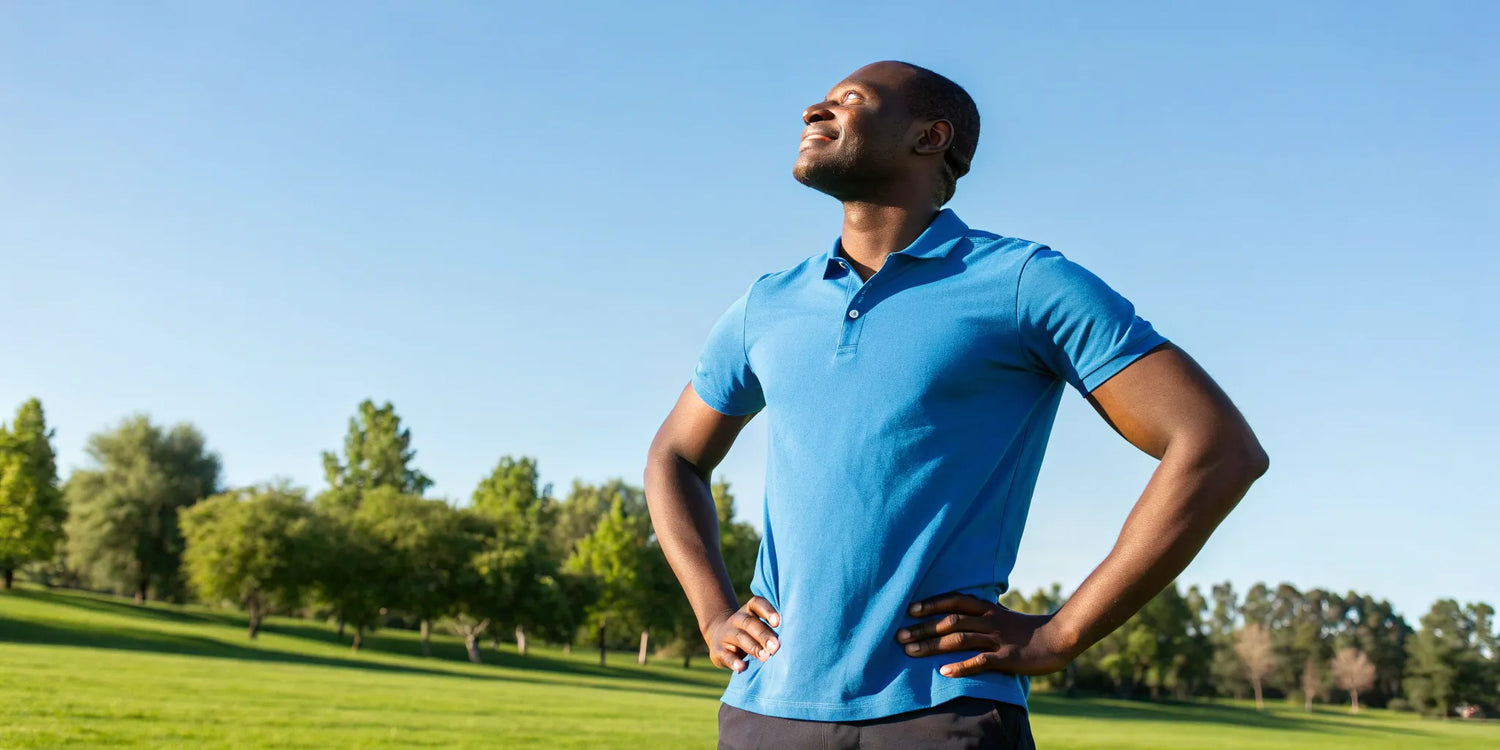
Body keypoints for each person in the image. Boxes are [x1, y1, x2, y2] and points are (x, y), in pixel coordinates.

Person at [642, 60, 1268, 749]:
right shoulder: (767, 303)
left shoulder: (1024, 282)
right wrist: (712, 612)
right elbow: (674, 456)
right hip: (767, 707)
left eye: (850, 101)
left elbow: (1215, 447)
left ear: (930, 136)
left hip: (944, 713)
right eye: (820, 100)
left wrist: (1063, 632)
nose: (813, 112)